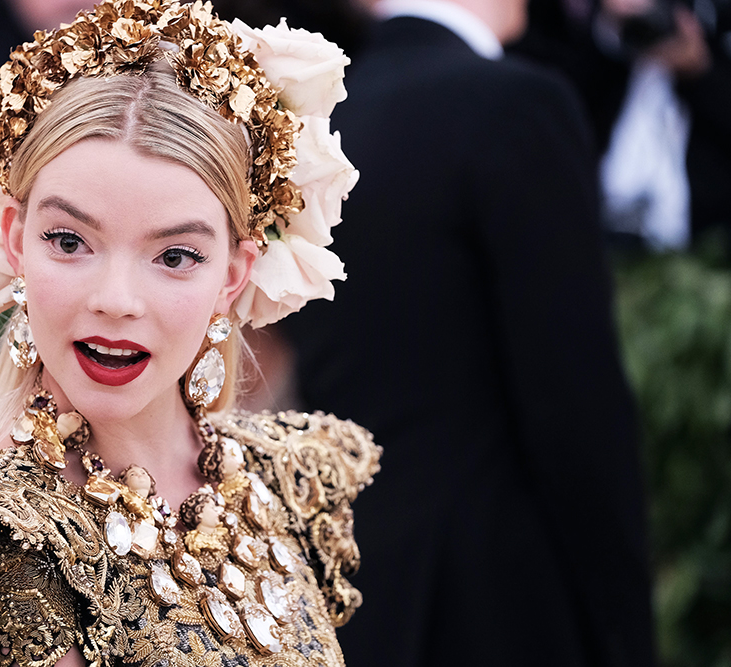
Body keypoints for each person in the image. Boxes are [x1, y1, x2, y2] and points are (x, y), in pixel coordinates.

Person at [0, 2, 380, 665]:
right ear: (16, 242)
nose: (116, 301)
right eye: (70, 241)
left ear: (233, 276)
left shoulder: (288, 479)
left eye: (175, 256)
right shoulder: (3, 550)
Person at [284, 0, 656, 665]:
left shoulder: (312, 131)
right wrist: (626, 625)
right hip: (509, 600)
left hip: (363, 597)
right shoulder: (516, 104)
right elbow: (576, 401)